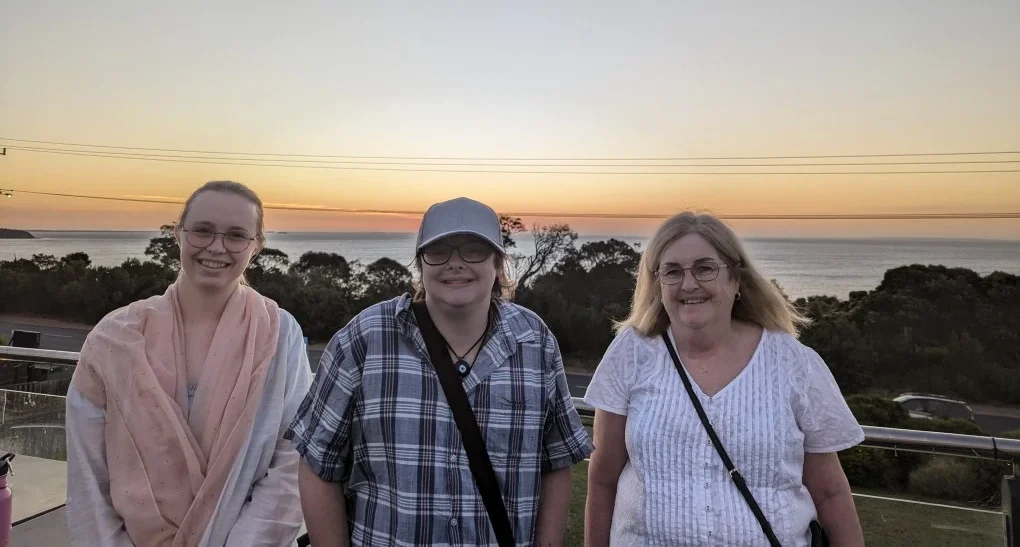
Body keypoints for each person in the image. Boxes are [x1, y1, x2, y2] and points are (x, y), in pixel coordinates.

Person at [286, 196, 593, 546]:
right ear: (420, 263)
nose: (455, 263)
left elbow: (556, 462)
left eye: (473, 250)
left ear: (498, 263)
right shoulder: (364, 339)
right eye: (439, 251)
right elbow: (316, 463)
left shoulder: (534, 342)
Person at [584, 211, 865, 547]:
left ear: (734, 279)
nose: (688, 284)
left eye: (705, 268)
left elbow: (831, 493)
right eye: (672, 272)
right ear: (658, 284)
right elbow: (603, 479)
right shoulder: (631, 353)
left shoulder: (792, 363)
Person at [65, 180, 312, 547]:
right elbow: (88, 476)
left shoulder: (280, 334)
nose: (216, 247)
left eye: (236, 235)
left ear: (256, 246)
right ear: (178, 234)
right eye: (202, 231)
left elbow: (295, 458)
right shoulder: (113, 339)